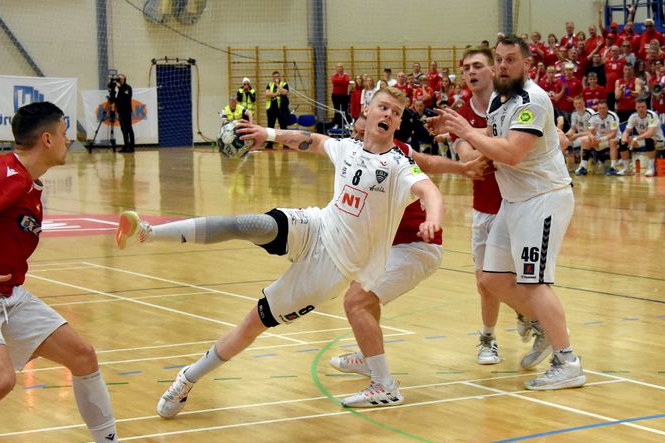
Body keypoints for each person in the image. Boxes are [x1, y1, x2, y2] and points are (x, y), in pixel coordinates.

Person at [115, 87, 444, 413]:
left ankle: (186, 379)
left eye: (396, 112)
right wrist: (267, 133)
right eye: (383, 107)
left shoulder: (399, 164)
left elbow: (430, 192)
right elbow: (312, 140)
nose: (388, 114)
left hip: (330, 269)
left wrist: (433, 218)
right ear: (368, 112)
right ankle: (149, 232)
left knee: (250, 325)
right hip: (316, 226)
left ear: (398, 124)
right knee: (246, 224)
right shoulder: (348, 148)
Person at [0, 102, 157, 443]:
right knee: (1, 379)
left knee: (82, 357)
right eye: (65, 132)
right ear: (47, 138)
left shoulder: (28, 180)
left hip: (10, 295)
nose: (70, 139)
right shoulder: (7, 176)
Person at [429, 35, 585, 391]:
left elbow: (512, 152)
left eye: (510, 60)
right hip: (513, 202)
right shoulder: (503, 99)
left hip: (542, 199)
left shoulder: (534, 100)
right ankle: (542, 323)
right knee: (491, 279)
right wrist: (457, 129)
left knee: (534, 282)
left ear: (526, 64)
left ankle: (568, 362)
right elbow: (495, 132)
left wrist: (467, 131)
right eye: (498, 59)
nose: (502, 66)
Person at [329, 112, 485, 406]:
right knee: (364, 299)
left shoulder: (395, 154)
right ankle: (367, 356)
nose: (363, 126)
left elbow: (428, 174)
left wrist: (458, 174)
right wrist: (462, 169)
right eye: (361, 121)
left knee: (356, 301)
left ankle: (384, 385)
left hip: (416, 246)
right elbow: (428, 162)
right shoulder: (355, 153)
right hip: (388, 247)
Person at [449, 47, 538, 365]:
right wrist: (499, 145)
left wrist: (485, 141)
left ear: (492, 70)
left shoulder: (516, 103)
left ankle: (528, 315)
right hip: (485, 208)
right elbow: (468, 159)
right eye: (466, 68)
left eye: (477, 66)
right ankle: (488, 338)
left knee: (517, 279)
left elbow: (523, 149)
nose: (470, 72)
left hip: (520, 205)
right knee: (485, 283)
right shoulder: (458, 117)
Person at [618, 97, 665, 176]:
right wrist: (624, 137)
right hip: (642, 139)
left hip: (658, 139)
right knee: (622, 142)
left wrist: (636, 138)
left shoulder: (652, 115)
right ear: (635, 108)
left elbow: (650, 133)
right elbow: (626, 131)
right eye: (639, 107)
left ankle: (651, 168)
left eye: (643, 107)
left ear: (646, 107)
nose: (641, 109)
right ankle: (626, 168)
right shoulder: (633, 117)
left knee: (649, 139)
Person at [581, 99, 620, 176]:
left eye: (604, 108)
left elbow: (613, 134)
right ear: (597, 109)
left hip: (611, 139)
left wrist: (600, 140)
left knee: (612, 141)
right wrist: (593, 138)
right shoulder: (593, 117)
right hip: (598, 140)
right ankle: (583, 167)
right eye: (600, 108)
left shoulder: (613, 116)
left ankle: (613, 168)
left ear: (607, 108)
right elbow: (589, 132)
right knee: (585, 140)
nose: (602, 110)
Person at [264, 71, 290, 148]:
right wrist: (277, 94)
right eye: (275, 77)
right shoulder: (269, 84)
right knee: (270, 126)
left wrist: (278, 85)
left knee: (283, 126)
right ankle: (270, 143)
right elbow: (267, 94)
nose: (276, 78)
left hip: (281, 108)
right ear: (272, 77)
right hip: (271, 108)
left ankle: (285, 143)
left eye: (278, 76)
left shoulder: (284, 84)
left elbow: (284, 92)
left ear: (280, 77)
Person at [114, 73, 134, 153]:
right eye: (118, 78)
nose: (119, 80)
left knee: (129, 129)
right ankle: (126, 146)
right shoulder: (119, 89)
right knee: (123, 130)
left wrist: (119, 88)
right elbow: (119, 100)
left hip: (127, 112)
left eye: (120, 78)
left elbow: (126, 99)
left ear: (124, 79)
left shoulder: (127, 88)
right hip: (121, 112)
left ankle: (131, 147)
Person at [330, 63, 350, 129]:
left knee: (345, 110)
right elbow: (334, 81)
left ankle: (345, 123)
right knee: (337, 110)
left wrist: (339, 81)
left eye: (341, 67)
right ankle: (336, 123)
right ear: (336, 68)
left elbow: (346, 82)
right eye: (338, 67)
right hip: (335, 95)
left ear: (343, 68)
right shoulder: (333, 75)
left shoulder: (346, 75)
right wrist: (341, 80)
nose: (339, 68)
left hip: (344, 95)